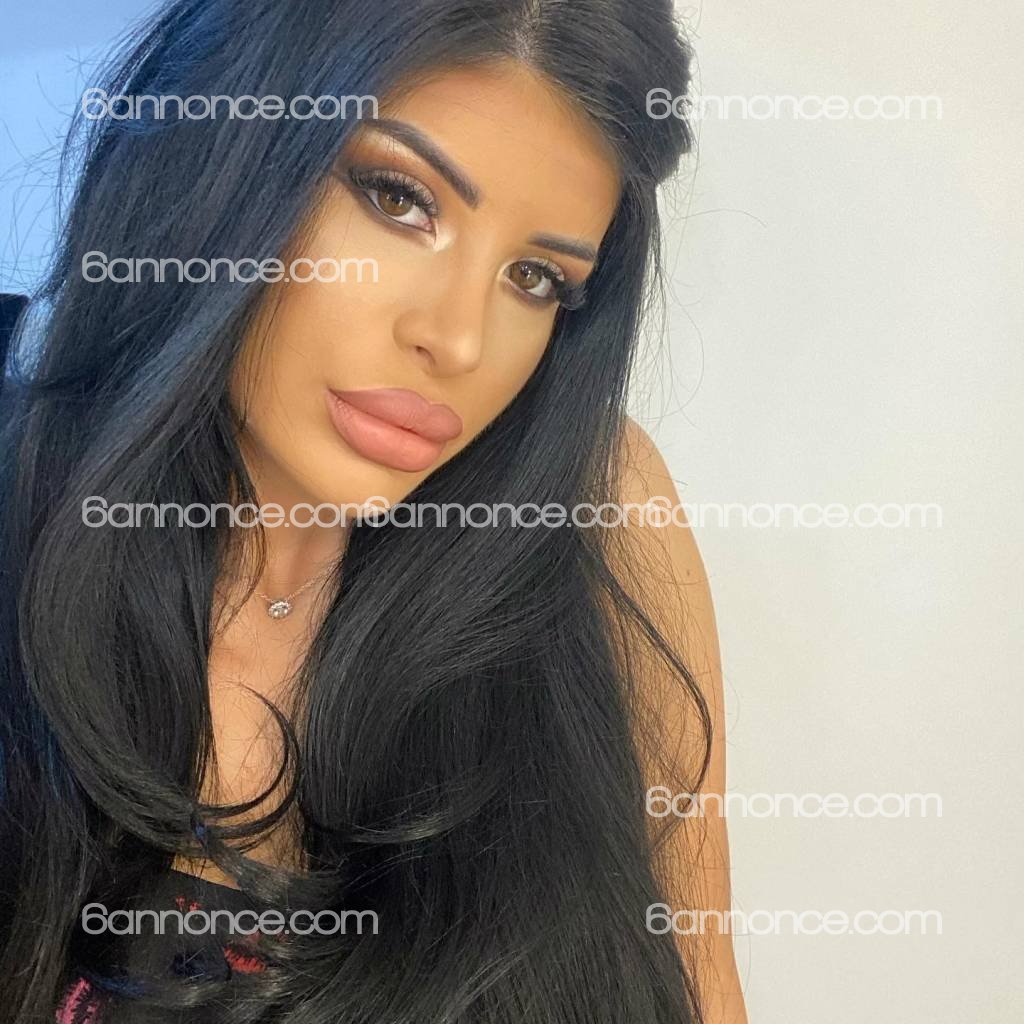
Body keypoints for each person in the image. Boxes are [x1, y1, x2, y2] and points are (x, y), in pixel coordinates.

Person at [0, 1, 748, 1021]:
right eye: (399, 199)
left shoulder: (599, 515)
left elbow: (701, 991)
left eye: (535, 278)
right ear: (220, 153)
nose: (458, 338)